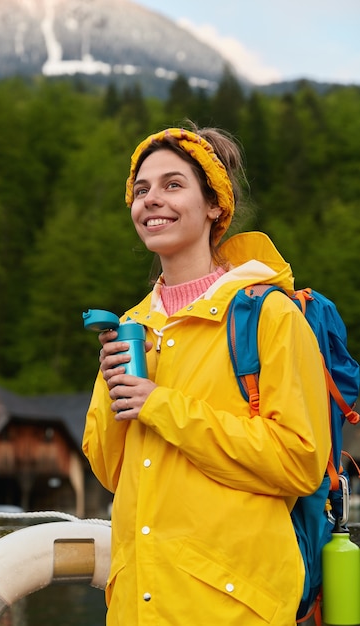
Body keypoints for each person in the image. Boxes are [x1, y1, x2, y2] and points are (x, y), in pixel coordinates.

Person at [82, 123, 331, 625]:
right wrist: (119, 401)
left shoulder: (269, 315)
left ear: (215, 205)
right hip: (136, 605)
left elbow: (300, 461)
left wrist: (158, 404)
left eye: (174, 185)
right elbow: (111, 472)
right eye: (141, 190)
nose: (152, 200)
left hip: (232, 609)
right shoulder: (134, 327)